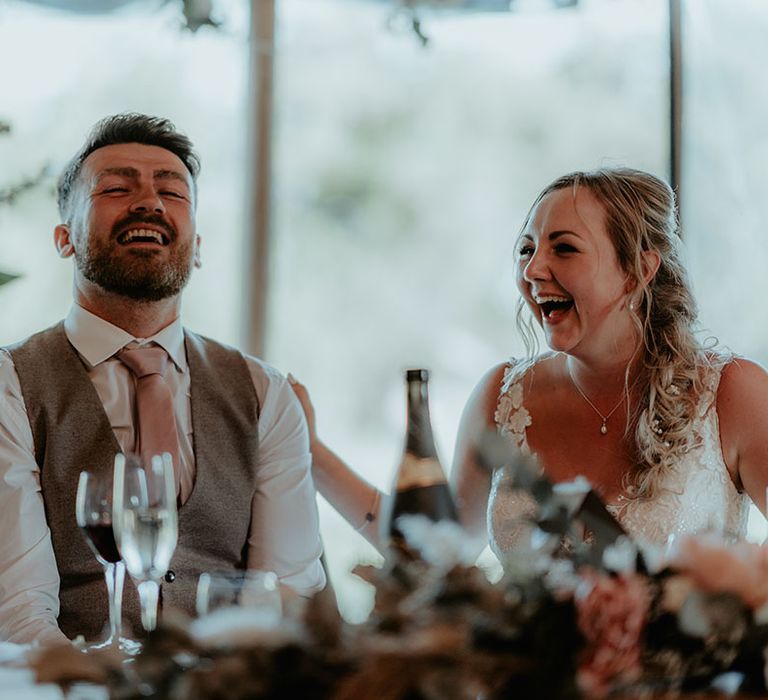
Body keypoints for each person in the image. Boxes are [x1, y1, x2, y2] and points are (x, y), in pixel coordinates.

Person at [291, 167, 768, 559]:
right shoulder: (502, 396)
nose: (532, 270)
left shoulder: (732, 393)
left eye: (564, 248)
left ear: (639, 270)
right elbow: (429, 555)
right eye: (527, 249)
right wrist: (311, 452)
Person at [0, 113, 325, 646]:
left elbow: (285, 592)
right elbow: (18, 608)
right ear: (64, 239)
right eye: (116, 188)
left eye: (172, 192)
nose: (149, 202)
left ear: (197, 247)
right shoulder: (10, 384)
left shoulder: (266, 394)